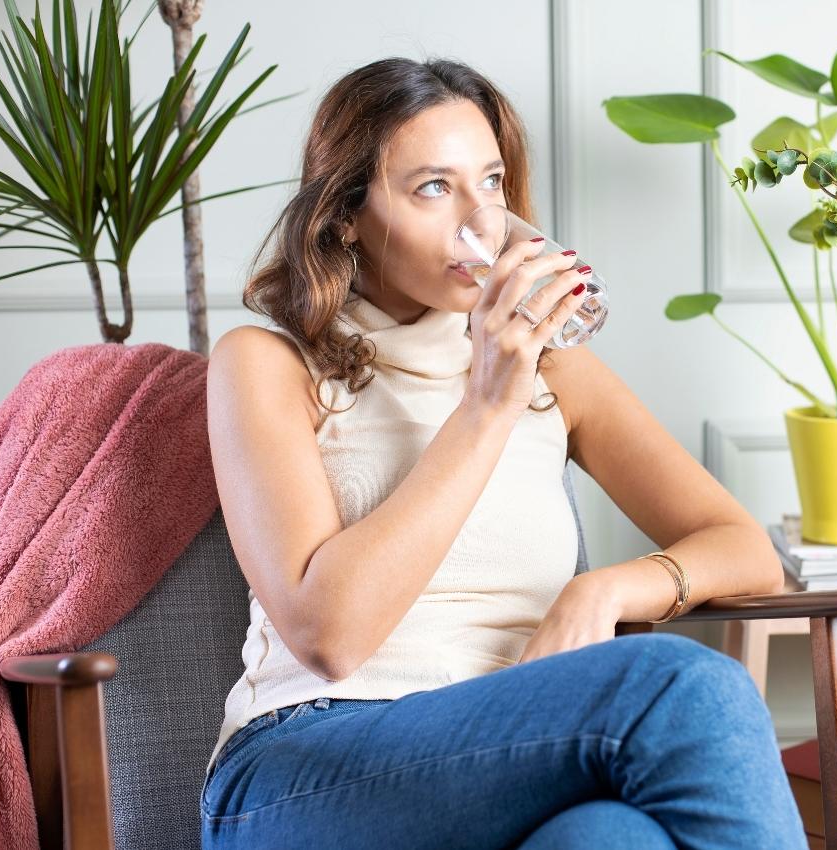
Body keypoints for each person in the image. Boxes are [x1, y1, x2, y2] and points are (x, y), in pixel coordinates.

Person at [200, 55, 806, 850]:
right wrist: (486, 404)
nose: (479, 222)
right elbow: (330, 637)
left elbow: (744, 549)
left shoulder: (557, 368)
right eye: (432, 188)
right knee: (690, 688)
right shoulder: (268, 363)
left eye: (490, 183)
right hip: (303, 769)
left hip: (519, 750)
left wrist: (599, 593)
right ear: (346, 213)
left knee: (609, 838)